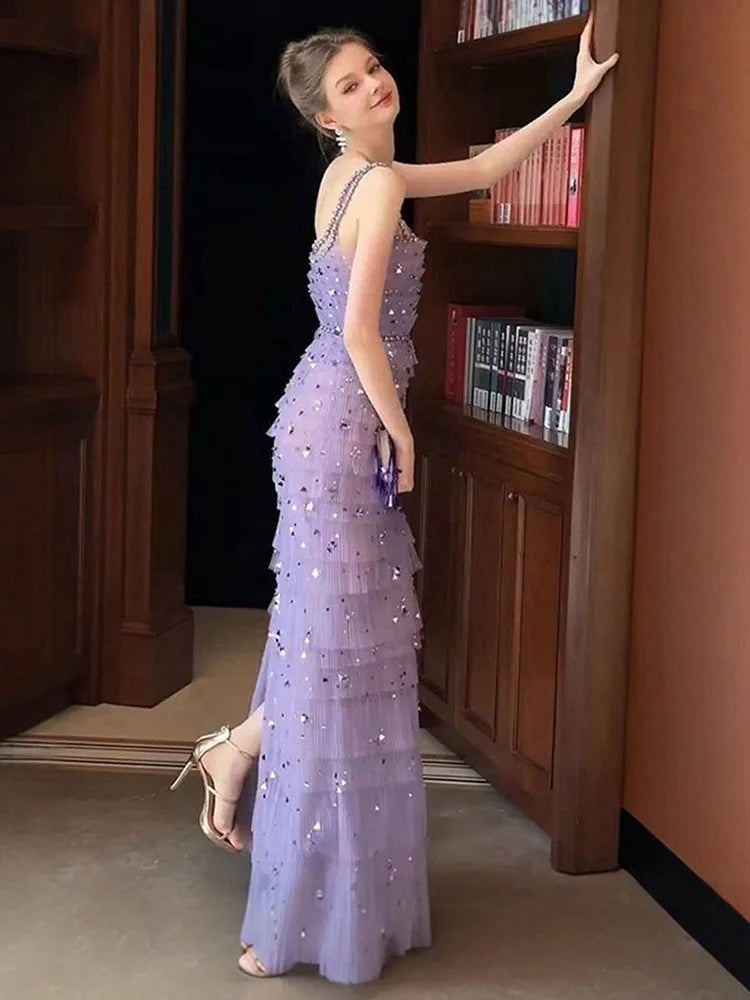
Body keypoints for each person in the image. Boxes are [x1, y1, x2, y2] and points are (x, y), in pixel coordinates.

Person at [169, 15, 618, 984]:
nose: (376, 85)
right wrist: (403, 430)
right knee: (333, 656)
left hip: (318, 421)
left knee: (328, 646)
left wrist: (573, 100)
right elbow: (365, 331)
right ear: (327, 120)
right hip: (341, 433)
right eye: (352, 86)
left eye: (374, 69)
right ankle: (286, 897)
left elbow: (490, 164)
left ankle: (235, 756)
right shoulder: (370, 188)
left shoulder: (365, 179)